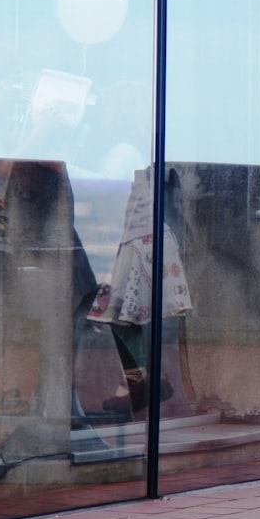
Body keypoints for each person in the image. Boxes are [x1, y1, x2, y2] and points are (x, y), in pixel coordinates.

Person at [86, 167, 192, 415]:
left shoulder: (135, 155)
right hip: (140, 235)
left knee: (123, 316)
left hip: (144, 236)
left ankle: (141, 380)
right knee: (127, 316)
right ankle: (141, 380)